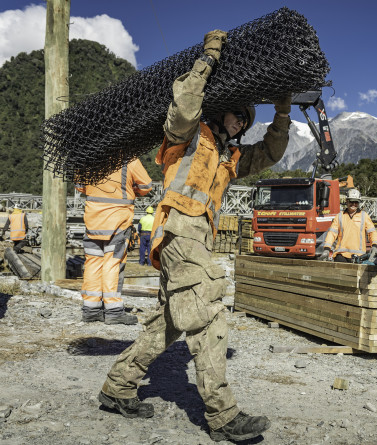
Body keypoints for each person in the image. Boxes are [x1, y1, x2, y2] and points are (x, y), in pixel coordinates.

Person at [98, 30, 292, 443]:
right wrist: (208, 59)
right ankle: (222, 416)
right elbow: (184, 104)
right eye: (235, 114)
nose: (239, 121)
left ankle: (118, 388)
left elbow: (272, 153)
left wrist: (282, 112)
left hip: (194, 236)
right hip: (180, 229)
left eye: (245, 119)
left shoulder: (231, 156)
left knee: (168, 323)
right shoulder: (188, 134)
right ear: (220, 112)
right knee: (208, 315)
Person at [75, 159, 152, 325]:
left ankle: (91, 309)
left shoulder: (89, 158)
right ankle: (113, 311)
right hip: (117, 221)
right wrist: (129, 190)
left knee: (93, 263)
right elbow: (146, 186)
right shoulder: (129, 160)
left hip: (93, 220)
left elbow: (80, 186)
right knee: (113, 264)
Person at [319, 188, 377, 262]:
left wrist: (374, 246)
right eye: (351, 201)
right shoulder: (340, 216)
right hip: (341, 255)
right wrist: (327, 249)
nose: (353, 204)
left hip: (359, 256)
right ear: (347, 201)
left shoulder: (364, 216)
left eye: (356, 202)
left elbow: (372, 232)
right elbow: (332, 233)